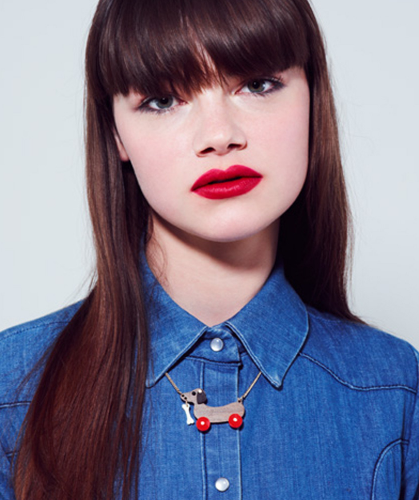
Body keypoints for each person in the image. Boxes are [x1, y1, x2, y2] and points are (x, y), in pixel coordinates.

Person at [0, 0, 418, 498]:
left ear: (312, 97)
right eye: (163, 100)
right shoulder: (12, 390)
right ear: (115, 133)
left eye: (257, 84)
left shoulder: (395, 391)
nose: (219, 136)